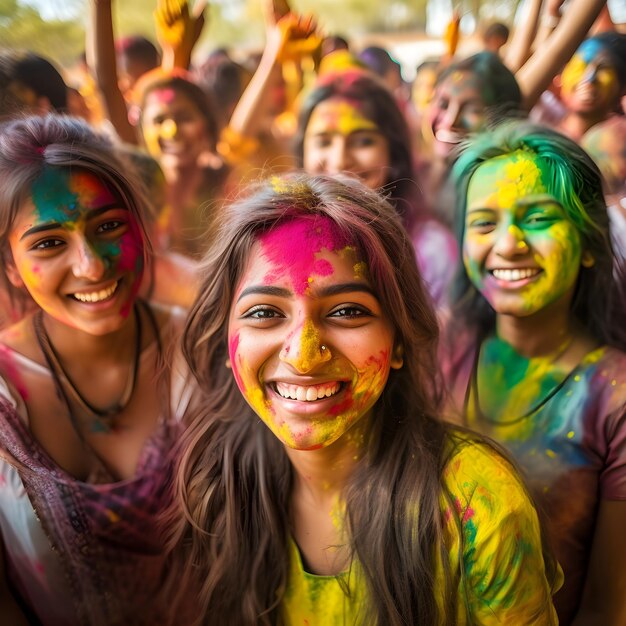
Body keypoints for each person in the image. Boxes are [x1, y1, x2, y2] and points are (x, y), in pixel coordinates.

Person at [164, 172, 560, 625]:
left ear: (400, 341)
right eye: (265, 313)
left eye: (347, 311)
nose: (304, 355)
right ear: (226, 340)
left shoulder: (478, 507)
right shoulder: (220, 485)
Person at [0, 115, 192, 625]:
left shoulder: (207, 352)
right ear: (10, 264)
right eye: (49, 243)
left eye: (108, 227)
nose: (91, 266)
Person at [442, 120, 626, 624]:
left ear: (589, 243)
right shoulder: (432, 351)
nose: (508, 244)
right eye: (484, 223)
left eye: (538, 217)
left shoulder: (615, 399)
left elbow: (608, 608)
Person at [295, 70, 458, 308]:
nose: (340, 160)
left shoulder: (430, 251)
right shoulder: (280, 241)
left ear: (394, 154)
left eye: (363, 141)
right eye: (324, 141)